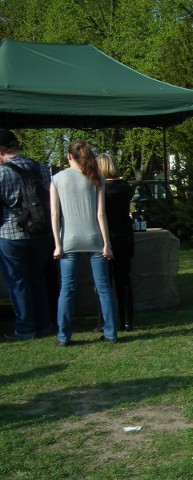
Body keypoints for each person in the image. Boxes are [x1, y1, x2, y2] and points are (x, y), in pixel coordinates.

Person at [51, 141, 118, 346]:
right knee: (104, 288)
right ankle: (111, 333)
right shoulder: (96, 178)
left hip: (68, 239)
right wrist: (107, 243)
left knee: (67, 290)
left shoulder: (57, 179)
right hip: (94, 238)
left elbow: (55, 214)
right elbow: (100, 214)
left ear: (69, 156)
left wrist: (57, 244)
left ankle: (63, 336)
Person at [0, 129, 53, 340]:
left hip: (11, 234)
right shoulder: (40, 167)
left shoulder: (2, 172)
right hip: (41, 231)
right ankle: (45, 324)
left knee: (18, 282)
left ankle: (25, 328)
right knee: (38, 278)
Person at [97, 153, 134, 331]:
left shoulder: (101, 189)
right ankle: (127, 320)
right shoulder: (126, 187)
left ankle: (105, 320)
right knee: (124, 279)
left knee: (104, 282)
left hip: (106, 237)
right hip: (125, 236)